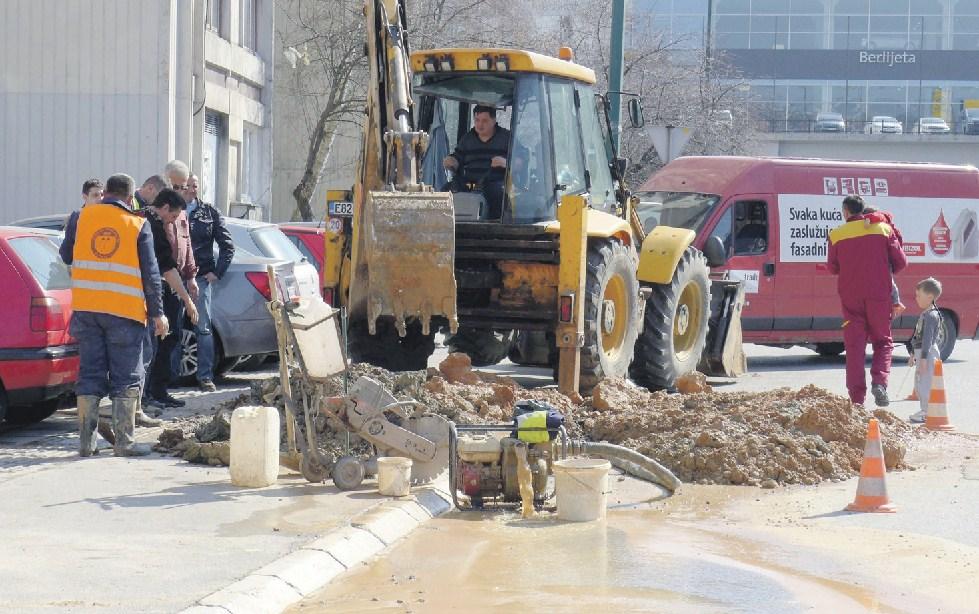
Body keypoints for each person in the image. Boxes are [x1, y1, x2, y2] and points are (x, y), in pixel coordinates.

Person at [59, 174, 167, 457]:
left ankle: (86, 444)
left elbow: (67, 256)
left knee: (90, 373)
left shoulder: (80, 219)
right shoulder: (137, 223)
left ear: (105, 192)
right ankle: (124, 443)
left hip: (86, 309)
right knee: (127, 375)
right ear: (131, 198)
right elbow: (151, 275)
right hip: (124, 312)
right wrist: (157, 314)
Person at [827, 195, 907, 407]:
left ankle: (856, 400)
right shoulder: (882, 229)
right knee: (883, 342)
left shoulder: (836, 234)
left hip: (850, 297)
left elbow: (833, 268)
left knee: (854, 348)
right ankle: (879, 383)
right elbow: (900, 262)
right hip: (879, 296)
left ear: (845, 212)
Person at [139, 189, 200, 420]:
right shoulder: (150, 225)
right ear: (164, 208)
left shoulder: (156, 222)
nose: (173, 222)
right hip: (153, 291)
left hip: (167, 287)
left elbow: (180, 256)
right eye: (173, 217)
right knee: (152, 344)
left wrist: (188, 280)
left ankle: (158, 391)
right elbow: (165, 265)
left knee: (167, 339)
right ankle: (145, 397)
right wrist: (187, 300)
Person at [184, 173, 234, 392]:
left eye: (195, 186)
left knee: (203, 329)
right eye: (187, 186)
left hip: (201, 278)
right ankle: (164, 381)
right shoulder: (169, 211)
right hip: (175, 278)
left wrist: (217, 272)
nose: (191, 189)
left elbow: (227, 246)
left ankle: (205, 377)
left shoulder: (209, 213)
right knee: (172, 331)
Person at [443, 105, 510, 219]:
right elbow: (458, 157)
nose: (479, 124)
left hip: (495, 183)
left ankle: (494, 225)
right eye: (477, 120)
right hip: (470, 184)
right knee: (445, 191)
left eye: (484, 121)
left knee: (498, 193)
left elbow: (522, 160)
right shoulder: (467, 139)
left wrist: (505, 162)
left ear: (494, 121)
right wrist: (452, 161)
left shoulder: (506, 137)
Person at [907, 277, 944, 423]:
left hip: (927, 352)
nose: (916, 299)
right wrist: (912, 354)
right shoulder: (925, 314)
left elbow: (927, 339)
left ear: (930, 297)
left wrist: (923, 359)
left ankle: (927, 411)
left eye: (918, 296)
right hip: (921, 351)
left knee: (925, 381)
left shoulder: (931, 315)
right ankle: (924, 409)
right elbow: (917, 336)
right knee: (919, 382)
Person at [861, 206, 906, 318]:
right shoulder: (885, 226)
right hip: (885, 264)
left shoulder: (876, 224)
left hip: (882, 265)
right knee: (889, 282)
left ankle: (896, 302)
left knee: (888, 282)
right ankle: (896, 302)